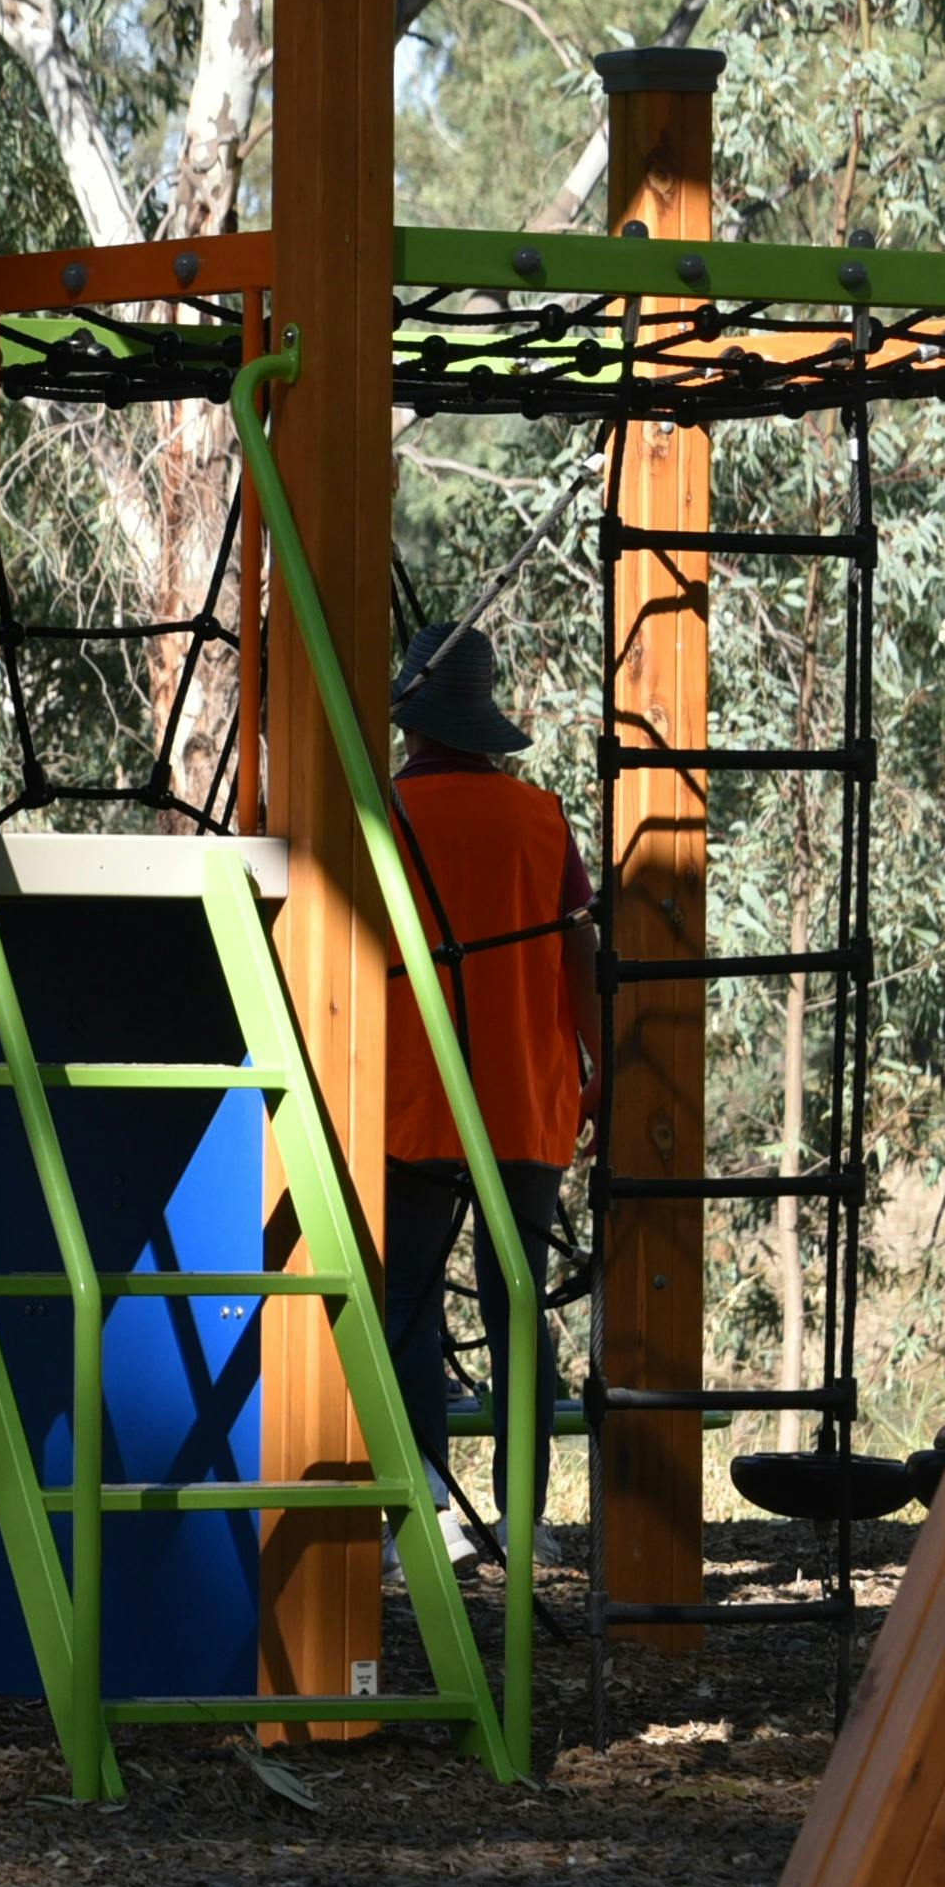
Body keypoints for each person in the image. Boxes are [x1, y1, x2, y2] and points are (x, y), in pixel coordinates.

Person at [373, 622, 596, 1556]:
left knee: (411, 1304)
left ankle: (419, 1511)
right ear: (484, 718)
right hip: (522, 1094)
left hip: (412, 1090)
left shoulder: (384, 811)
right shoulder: (540, 819)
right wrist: (599, 1073)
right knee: (518, 1301)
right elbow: (581, 957)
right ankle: (525, 1518)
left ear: (414, 722)